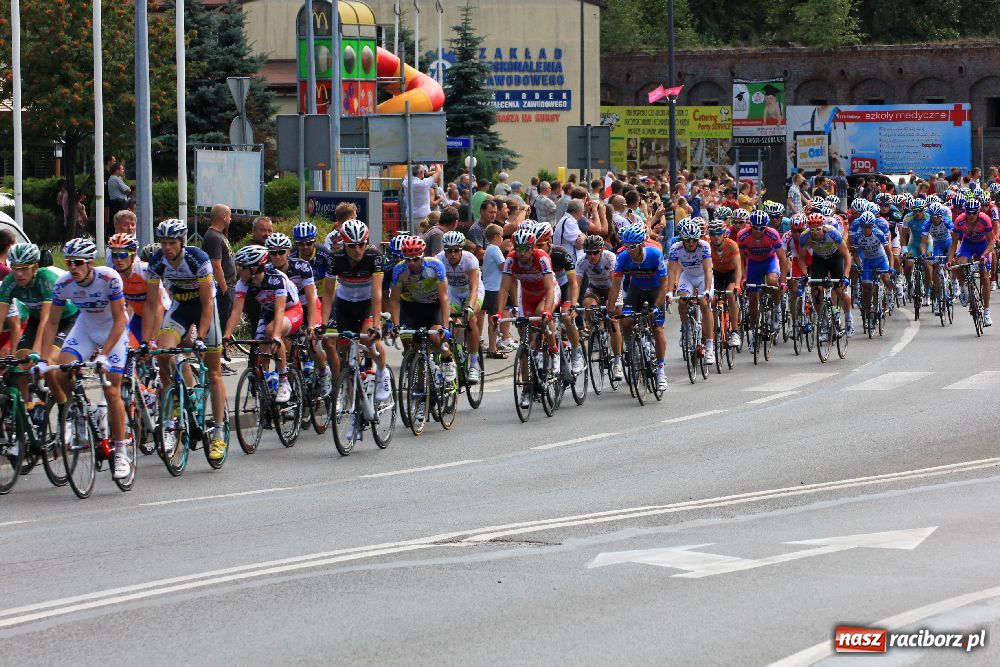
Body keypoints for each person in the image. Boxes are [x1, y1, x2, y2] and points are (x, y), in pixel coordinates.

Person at [142, 219, 228, 461]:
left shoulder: (198, 259)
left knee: (213, 373)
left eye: (172, 243)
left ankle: (219, 433)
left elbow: (208, 302)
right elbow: (151, 304)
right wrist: (147, 340)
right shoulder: (157, 261)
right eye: (163, 242)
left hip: (203, 310)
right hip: (179, 307)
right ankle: (170, 422)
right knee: (163, 352)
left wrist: (200, 337)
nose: (166, 247)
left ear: (182, 242)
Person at [45, 238, 131, 479]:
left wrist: (104, 355)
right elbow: (52, 322)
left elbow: (120, 320)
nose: (73, 267)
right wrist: (43, 359)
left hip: (113, 329)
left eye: (78, 263)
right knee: (60, 370)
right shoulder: (63, 284)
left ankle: (121, 450)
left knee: (112, 387)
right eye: (70, 262)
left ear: (90, 263)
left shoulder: (109, 278)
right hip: (85, 328)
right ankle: (81, 411)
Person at [325, 218, 393, 410]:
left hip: (366, 304)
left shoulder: (374, 257)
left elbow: (377, 294)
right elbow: (329, 294)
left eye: (361, 244)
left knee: (368, 338)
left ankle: (381, 373)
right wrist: (322, 324)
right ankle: (346, 391)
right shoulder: (335, 258)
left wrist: (377, 324)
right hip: (344, 304)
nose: (358, 249)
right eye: (352, 245)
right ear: (344, 244)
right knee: (342, 348)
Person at [225, 244, 303, 403]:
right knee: (261, 348)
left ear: (254, 268)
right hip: (268, 311)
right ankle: (268, 390)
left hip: (292, 309)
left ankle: (284, 381)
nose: (238, 270)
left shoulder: (276, 278)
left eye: (241, 267)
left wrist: (275, 335)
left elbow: (280, 308)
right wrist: (226, 336)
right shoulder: (243, 282)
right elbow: (236, 311)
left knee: (271, 331)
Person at [0, 244, 77, 402]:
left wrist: (36, 353)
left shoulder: (47, 279)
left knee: (48, 364)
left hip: (65, 320)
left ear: (35, 267)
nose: (19, 274)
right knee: (19, 364)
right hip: (36, 320)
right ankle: (27, 410)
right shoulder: (10, 282)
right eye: (15, 268)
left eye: (24, 269)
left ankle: (64, 406)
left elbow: (47, 319)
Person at [388, 236, 454, 417]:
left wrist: (446, 326)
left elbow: (444, 298)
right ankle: (421, 396)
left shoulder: (435, 266)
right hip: (412, 307)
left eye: (415, 258)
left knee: (434, 337)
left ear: (422, 255)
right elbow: (394, 300)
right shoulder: (399, 270)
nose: (412, 263)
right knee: (416, 349)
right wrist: (395, 325)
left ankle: (447, 359)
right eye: (408, 259)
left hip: (433, 306)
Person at [264, 232, 331, 395]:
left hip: (308, 304)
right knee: (283, 342)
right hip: (287, 308)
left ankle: (323, 371)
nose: (277, 256)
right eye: (273, 252)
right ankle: (289, 379)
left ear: (288, 252)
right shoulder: (267, 270)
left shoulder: (301, 266)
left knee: (312, 343)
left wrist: (311, 326)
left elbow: (310, 296)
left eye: (281, 252)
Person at [606, 223, 669, 392]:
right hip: (636, 290)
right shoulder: (624, 258)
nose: (629, 250)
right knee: (625, 320)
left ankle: (661, 370)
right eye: (626, 246)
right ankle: (632, 347)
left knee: (657, 328)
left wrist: (656, 306)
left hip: (655, 290)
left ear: (641, 244)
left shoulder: (655, 254)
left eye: (633, 247)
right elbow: (616, 285)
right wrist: (610, 310)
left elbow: (665, 284)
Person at [534, 222, 584, 374]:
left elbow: (574, 283)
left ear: (548, 242)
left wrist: (573, 305)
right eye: (534, 244)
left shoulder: (560, 253)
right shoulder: (533, 256)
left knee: (567, 318)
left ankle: (576, 353)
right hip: (546, 290)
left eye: (539, 244)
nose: (535, 248)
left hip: (564, 287)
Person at [291, 220, 336, 389]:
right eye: (301, 244)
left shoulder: (325, 255)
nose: (305, 247)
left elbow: (332, 286)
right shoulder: (292, 256)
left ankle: (329, 374)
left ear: (314, 241)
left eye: (309, 243)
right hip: (303, 299)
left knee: (323, 339)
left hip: (325, 297)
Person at [737, 210, 789, 352]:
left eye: (762, 228)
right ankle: (754, 335)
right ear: (750, 226)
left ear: (766, 227)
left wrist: (783, 281)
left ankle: (777, 307)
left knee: (772, 282)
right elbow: (740, 260)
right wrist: (743, 277)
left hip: (770, 261)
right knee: (753, 300)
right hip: (753, 263)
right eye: (755, 228)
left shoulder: (772, 234)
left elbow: (783, 259)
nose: (759, 231)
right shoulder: (743, 236)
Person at [437, 231, 484, 384]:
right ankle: (455, 352)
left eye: (456, 250)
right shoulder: (439, 260)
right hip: (453, 292)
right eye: (449, 250)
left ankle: (474, 363)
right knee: (453, 323)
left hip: (471, 292)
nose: (452, 254)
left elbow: (474, 287)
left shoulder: (470, 260)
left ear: (461, 249)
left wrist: (470, 306)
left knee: (470, 319)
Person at [108, 233, 170, 349]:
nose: (118, 259)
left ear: (133, 255)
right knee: (128, 352)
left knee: (165, 356)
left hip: (162, 314)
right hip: (139, 317)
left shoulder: (145, 270)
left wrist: (152, 339)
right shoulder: (113, 275)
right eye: (115, 255)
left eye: (123, 255)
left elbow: (158, 307)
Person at [798, 212, 854, 340]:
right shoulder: (805, 236)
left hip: (836, 258)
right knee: (817, 291)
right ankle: (823, 324)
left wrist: (845, 276)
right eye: (812, 229)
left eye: (818, 229)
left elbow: (846, 255)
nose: (815, 232)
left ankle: (848, 317)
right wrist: (805, 274)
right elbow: (801, 259)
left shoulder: (832, 233)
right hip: (819, 259)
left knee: (840, 290)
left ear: (823, 227)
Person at [667, 217, 715, 364]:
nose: (691, 243)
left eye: (694, 240)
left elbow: (708, 270)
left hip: (702, 277)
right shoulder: (675, 248)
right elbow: (673, 271)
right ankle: (687, 328)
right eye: (688, 240)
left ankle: (709, 346)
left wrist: (707, 290)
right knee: (682, 301)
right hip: (687, 276)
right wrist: (669, 292)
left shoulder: (704, 245)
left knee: (703, 303)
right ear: (682, 239)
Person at [949, 198, 994, 325]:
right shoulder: (959, 220)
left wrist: (985, 255)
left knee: (985, 278)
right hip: (967, 244)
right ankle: (963, 288)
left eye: (974, 213)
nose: (971, 215)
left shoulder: (984, 219)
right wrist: (949, 260)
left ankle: (986, 311)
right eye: (969, 212)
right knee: (960, 263)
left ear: (978, 211)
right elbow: (953, 244)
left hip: (982, 246)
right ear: (965, 212)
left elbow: (991, 242)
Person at [202, 204, 237, 355]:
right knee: (221, 323)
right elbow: (216, 265)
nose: (230, 219)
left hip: (229, 285)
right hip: (223, 287)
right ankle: (218, 356)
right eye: (229, 215)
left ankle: (222, 354)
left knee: (225, 320)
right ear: (223, 217)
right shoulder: (214, 237)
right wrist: (224, 289)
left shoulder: (220, 235)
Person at [850, 214, 893, 326]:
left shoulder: (879, 234)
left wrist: (891, 267)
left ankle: (888, 294)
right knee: (867, 287)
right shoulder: (858, 236)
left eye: (869, 226)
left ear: (873, 226)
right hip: (868, 261)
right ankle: (868, 314)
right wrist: (859, 265)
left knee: (886, 279)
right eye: (864, 226)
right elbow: (854, 253)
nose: (866, 229)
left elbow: (889, 252)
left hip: (880, 260)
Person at [707, 217, 743, 348]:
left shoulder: (732, 245)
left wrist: (738, 285)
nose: (715, 237)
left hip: (731, 274)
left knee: (730, 295)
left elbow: (739, 267)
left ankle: (734, 332)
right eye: (712, 234)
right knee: (712, 300)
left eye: (718, 234)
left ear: (723, 234)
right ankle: (716, 329)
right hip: (716, 274)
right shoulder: (707, 246)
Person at [482, 224, 512, 357]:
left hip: (489, 287)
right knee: (494, 319)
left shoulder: (490, 248)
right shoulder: (494, 249)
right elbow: (503, 267)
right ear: (495, 236)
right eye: (501, 236)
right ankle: (492, 348)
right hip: (494, 288)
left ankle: (492, 347)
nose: (502, 238)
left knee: (492, 319)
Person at [554, 199, 586, 263]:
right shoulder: (569, 222)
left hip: (568, 259)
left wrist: (583, 237)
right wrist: (584, 238)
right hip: (569, 261)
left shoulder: (568, 220)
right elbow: (579, 244)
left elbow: (582, 238)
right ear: (579, 211)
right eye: (583, 211)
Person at [106, 161, 131, 233]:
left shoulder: (110, 179)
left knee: (114, 221)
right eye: (122, 169)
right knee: (122, 221)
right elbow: (128, 190)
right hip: (120, 204)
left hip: (113, 203)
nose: (123, 171)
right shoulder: (116, 179)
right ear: (117, 170)